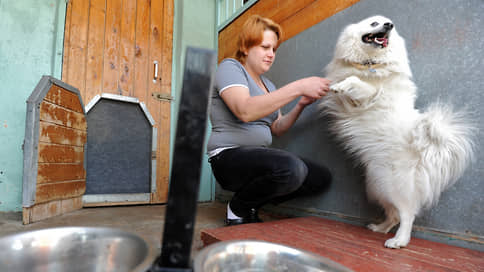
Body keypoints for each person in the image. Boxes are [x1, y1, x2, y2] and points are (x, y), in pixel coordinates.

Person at [207, 15, 332, 226]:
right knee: (292, 168)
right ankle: (238, 207)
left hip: (259, 159)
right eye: (265, 47)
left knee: (320, 177)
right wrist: (299, 86)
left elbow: (277, 128)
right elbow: (244, 110)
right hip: (228, 159)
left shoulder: (269, 85)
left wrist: (300, 104)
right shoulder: (231, 68)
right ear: (246, 48)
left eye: (274, 49)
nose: (271, 54)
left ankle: (254, 202)